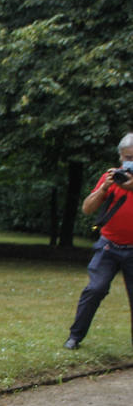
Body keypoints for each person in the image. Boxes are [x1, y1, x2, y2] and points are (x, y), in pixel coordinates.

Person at [65, 132, 133, 350]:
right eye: (125, 158)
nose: (128, 163)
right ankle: (75, 337)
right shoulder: (113, 177)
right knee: (95, 288)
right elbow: (87, 208)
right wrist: (104, 187)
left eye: (132, 157)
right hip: (109, 246)